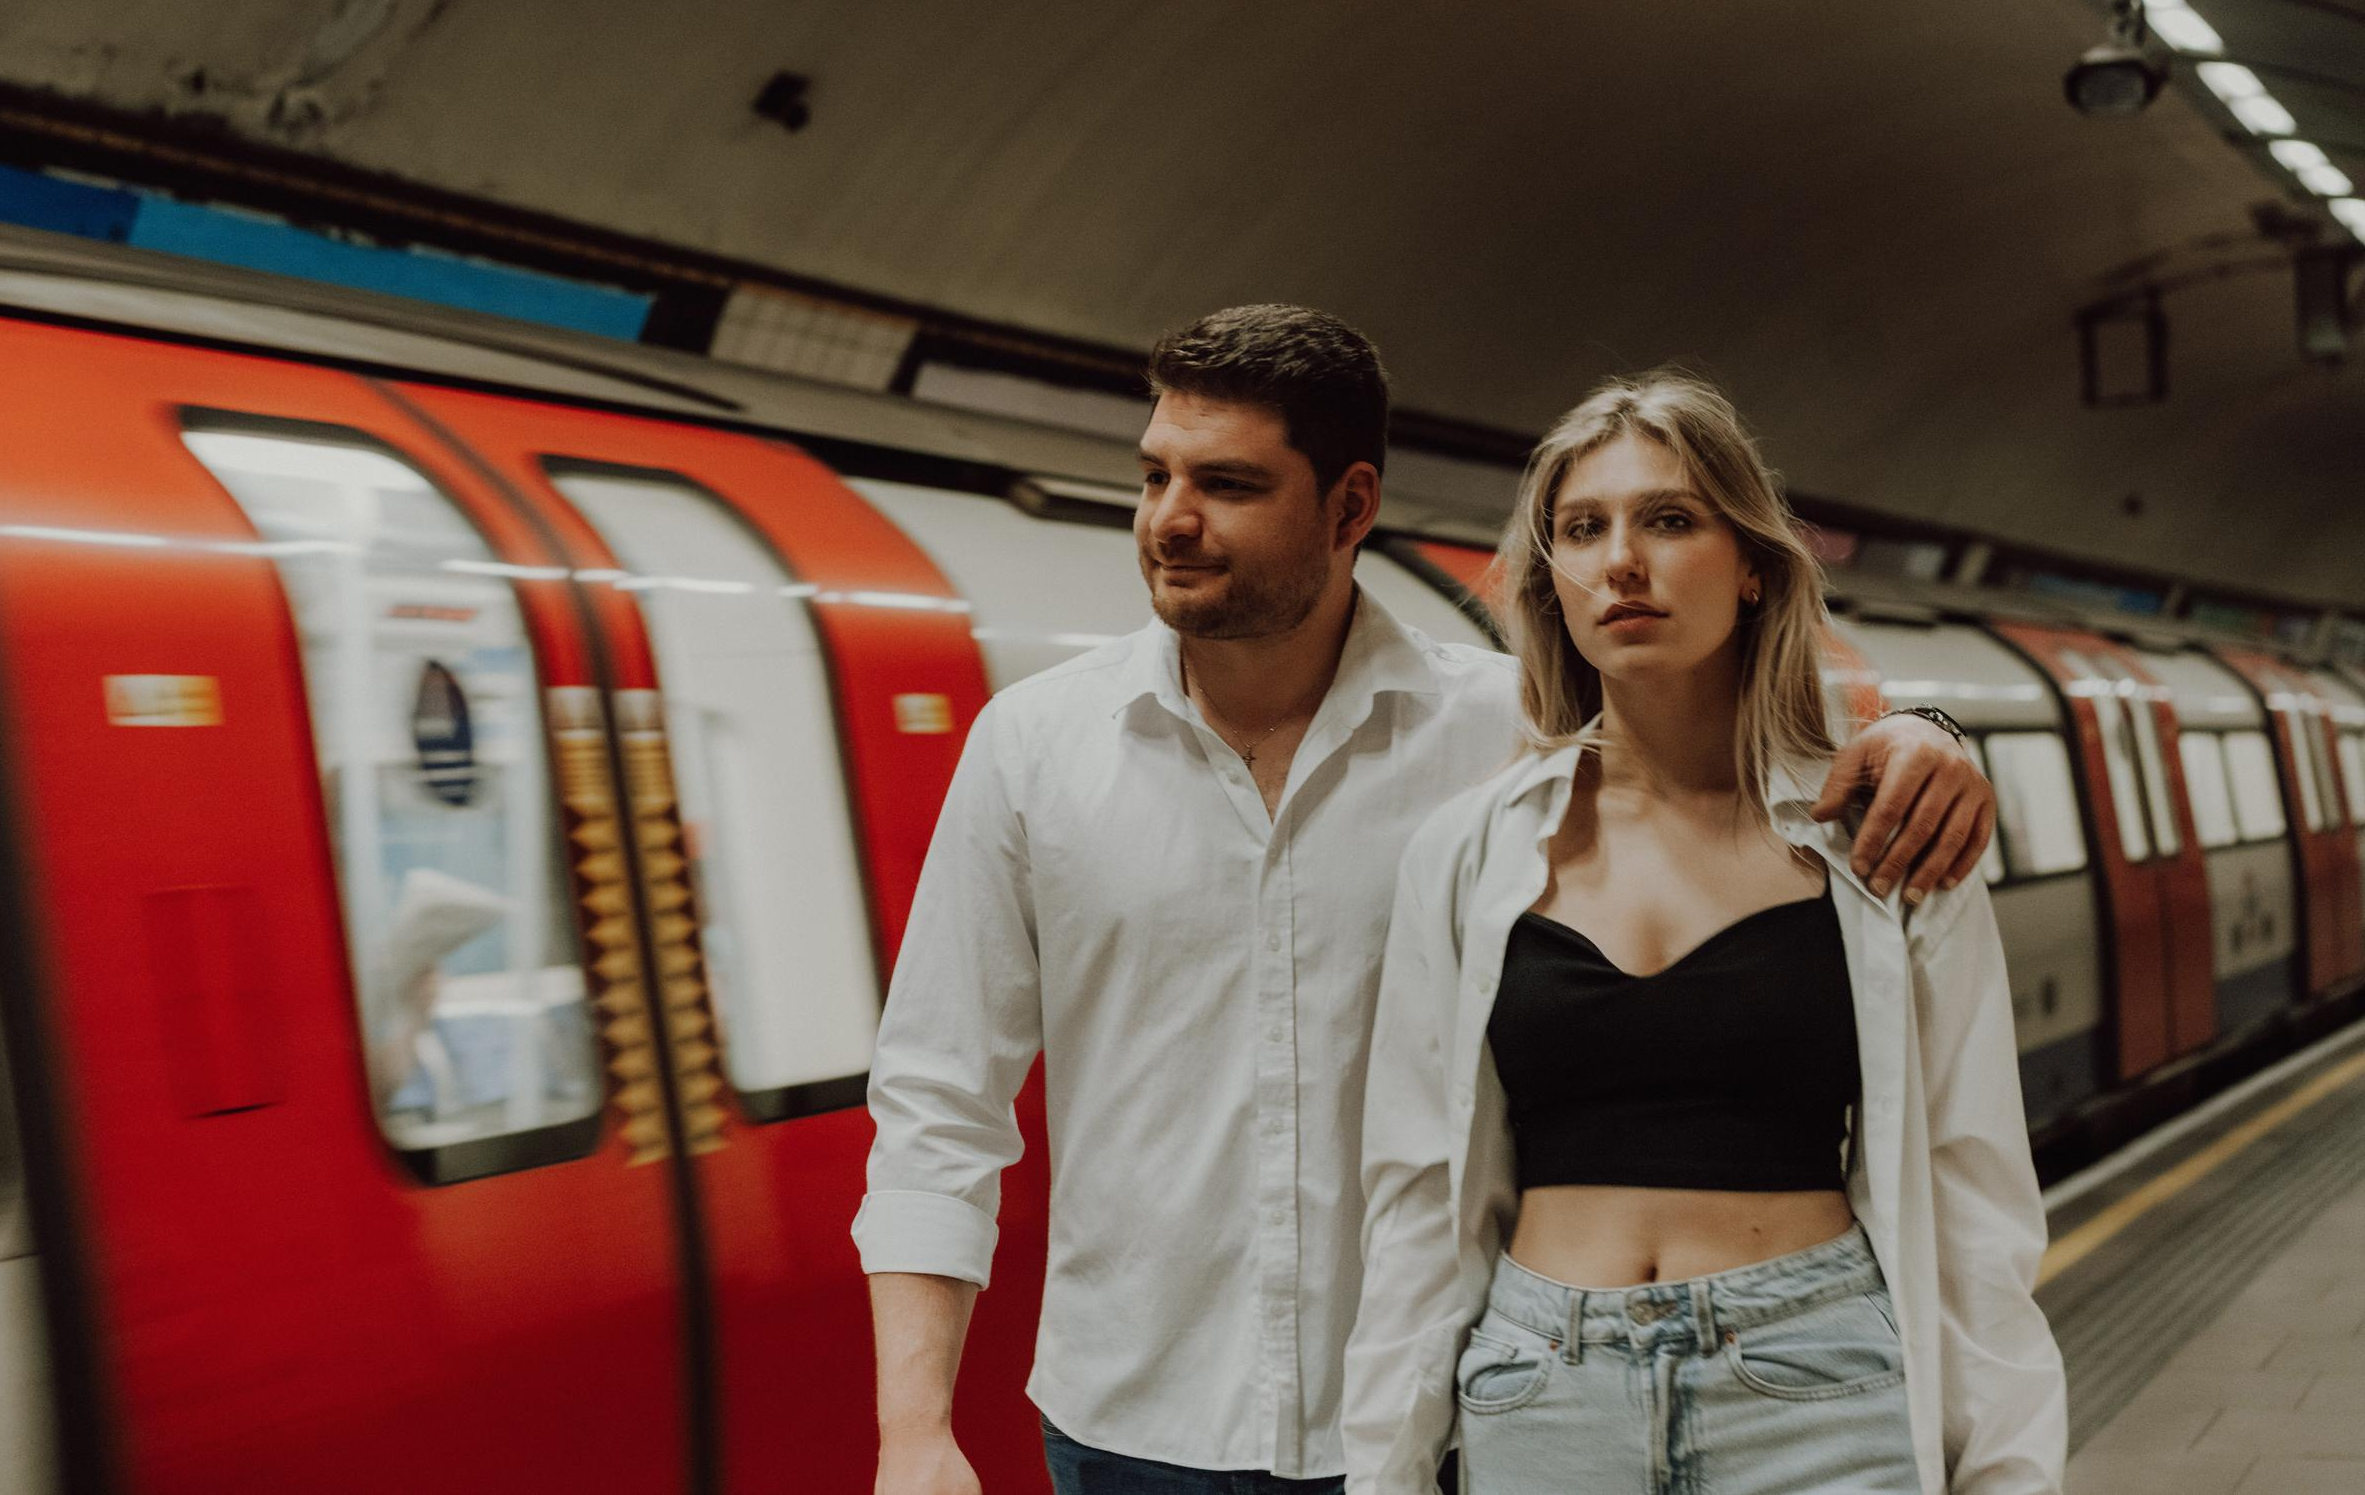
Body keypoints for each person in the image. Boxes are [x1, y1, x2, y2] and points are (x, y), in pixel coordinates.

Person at [854, 311, 1999, 1495]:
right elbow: (940, 1098)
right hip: (1130, 1421)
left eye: (1228, 484)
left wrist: (1930, 733)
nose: (1169, 520)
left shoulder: (1511, 740)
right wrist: (914, 1428)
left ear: (1351, 508)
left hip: (1447, 1413)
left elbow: (1723, 754)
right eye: (1155, 477)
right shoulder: (1032, 750)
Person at [1344, 370, 2064, 1495]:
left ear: (1754, 569)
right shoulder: (1469, 852)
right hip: (1541, 1389)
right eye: (1583, 530)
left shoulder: (1876, 840)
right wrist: (1383, 1472)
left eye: (1668, 519)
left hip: (1815, 1378)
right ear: (1554, 584)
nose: (1620, 560)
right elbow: (1414, 1205)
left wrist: (2011, 1471)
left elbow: (1973, 1194)